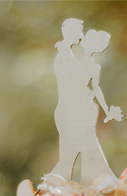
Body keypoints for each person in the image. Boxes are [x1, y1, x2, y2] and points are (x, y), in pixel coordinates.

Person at [51, 23, 120, 187]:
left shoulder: (91, 66)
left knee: (83, 147)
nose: (82, 38)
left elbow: (96, 89)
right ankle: (61, 183)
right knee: (72, 148)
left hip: (84, 108)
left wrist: (107, 110)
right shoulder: (70, 58)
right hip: (71, 108)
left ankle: (92, 185)